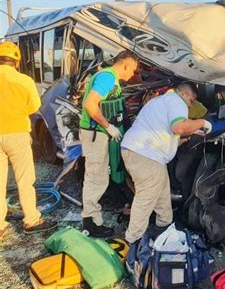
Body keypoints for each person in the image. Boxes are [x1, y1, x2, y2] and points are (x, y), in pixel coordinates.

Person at [120, 82, 212, 245]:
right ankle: (132, 240)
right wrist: (201, 123)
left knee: (162, 193)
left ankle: (164, 227)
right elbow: (178, 127)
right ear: (184, 94)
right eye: (192, 101)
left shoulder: (161, 100)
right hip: (145, 154)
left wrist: (185, 137)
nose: (191, 106)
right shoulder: (177, 102)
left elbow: (166, 133)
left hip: (143, 152)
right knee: (146, 197)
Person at [0, 41, 57, 239]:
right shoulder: (24, 81)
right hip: (16, 134)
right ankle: (31, 220)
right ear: (16, 62)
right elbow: (34, 108)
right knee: (24, 179)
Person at [80, 50, 138, 238]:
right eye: (133, 70)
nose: (132, 75)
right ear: (125, 65)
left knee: (100, 177)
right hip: (96, 133)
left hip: (100, 133)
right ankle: (90, 224)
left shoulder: (111, 80)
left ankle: (93, 219)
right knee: (96, 178)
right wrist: (109, 126)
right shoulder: (107, 78)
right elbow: (90, 104)